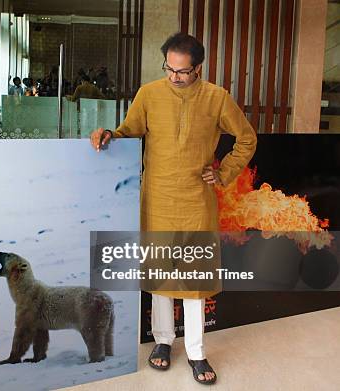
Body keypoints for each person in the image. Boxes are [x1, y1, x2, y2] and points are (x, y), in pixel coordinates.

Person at [90, 32, 257, 385]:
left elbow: (246, 138)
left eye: (182, 71)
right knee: (161, 271)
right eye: (169, 68)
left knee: (194, 275)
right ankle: (163, 342)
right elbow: (128, 131)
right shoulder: (149, 94)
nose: (174, 77)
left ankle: (196, 352)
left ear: (198, 68)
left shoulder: (216, 98)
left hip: (197, 198)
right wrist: (108, 135)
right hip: (158, 197)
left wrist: (224, 171)